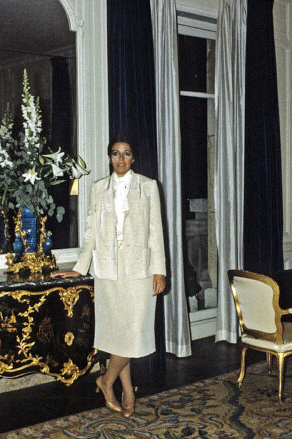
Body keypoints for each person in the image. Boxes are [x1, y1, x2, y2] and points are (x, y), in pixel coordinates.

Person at [51, 135, 166, 418]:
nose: (120, 159)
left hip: (140, 272)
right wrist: (80, 267)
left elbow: (156, 232)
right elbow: (90, 233)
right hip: (107, 273)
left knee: (134, 333)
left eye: (126, 154)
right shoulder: (99, 188)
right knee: (118, 336)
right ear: (109, 157)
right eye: (115, 154)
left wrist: (159, 270)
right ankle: (127, 391)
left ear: (134, 158)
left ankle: (106, 381)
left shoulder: (148, 187)